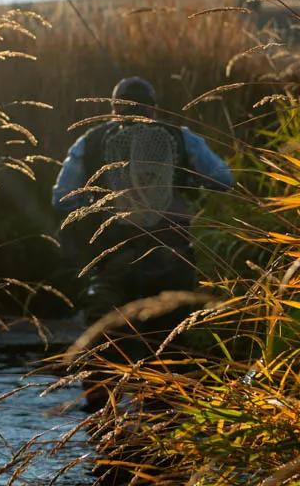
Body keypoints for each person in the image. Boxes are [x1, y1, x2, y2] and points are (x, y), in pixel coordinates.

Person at [52, 76, 233, 407]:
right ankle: (162, 416)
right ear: (153, 109)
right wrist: (188, 181)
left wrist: (94, 206)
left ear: (112, 108)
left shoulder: (89, 142)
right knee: (168, 343)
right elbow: (223, 180)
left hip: (112, 257)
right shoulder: (183, 138)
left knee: (103, 339)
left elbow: (61, 198)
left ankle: (102, 419)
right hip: (171, 256)